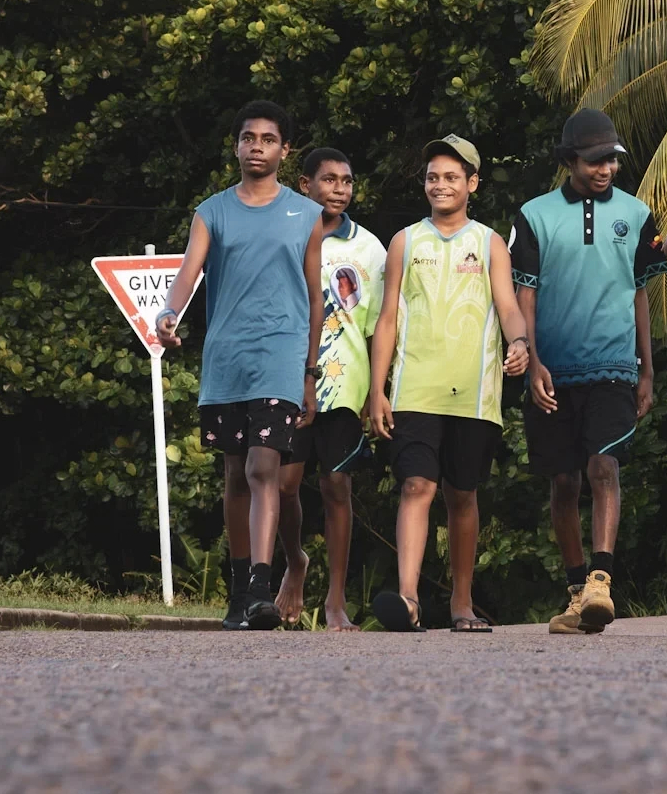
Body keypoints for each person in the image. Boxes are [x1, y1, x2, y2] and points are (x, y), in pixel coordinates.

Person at [156, 100, 328, 631]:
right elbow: (189, 272)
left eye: (268, 139)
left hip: (281, 355)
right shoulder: (212, 212)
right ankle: (238, 592)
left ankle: (260, 585)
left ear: (285, 150)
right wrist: (167, 312)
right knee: (235, 475)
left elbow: (315, 299)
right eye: (248, 138)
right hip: (227, 358)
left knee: (262, 469)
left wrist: (309, 372)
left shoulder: (307, 215)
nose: (257, 147)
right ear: (236, 146)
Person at [365, 134, 531, 633]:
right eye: (433, 177)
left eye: (452, 177)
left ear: (472, 183)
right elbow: (388, 318)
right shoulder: (404, 241)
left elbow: (508, 305)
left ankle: (462, 604)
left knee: (462, 494)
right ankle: (409, 599)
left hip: (474, 391)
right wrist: (377, 389)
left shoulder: (489, 242)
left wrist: (520, 342)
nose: (441, 185)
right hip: (415, 386)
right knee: (416, 485)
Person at [515, 109, 667, 634]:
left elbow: (640, 293)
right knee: (563, 482)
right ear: (570, 161)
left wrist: (647, 370)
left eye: (612, 160)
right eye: (595, 160)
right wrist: (533, 362)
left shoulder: (637, 213)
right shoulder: (533, 216)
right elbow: (525, 295)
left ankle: (601, 581)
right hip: (553, 371)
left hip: (614, 366)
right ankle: (578, 592)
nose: (606, 169)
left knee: (604, 468)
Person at [267, 147, 386, 630]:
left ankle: (336, 600)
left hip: (345, 385)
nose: (339, 189)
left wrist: (377, 391)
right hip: (287, 380)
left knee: (337, 485)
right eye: (329, 179)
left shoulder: (370, 249)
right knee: (284, 485)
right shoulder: (283, 235)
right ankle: (295, 560)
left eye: (347, 181)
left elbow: (380, 328)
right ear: (305, 184)